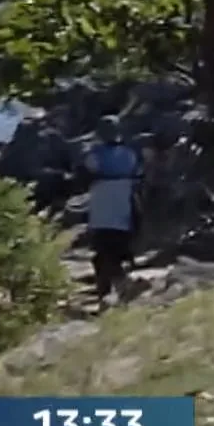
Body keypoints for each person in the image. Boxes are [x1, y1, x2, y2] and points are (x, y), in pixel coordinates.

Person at [85, 115, 143, 302]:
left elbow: (87, 171)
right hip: (123, 206)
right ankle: (117, 291)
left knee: (102, 253)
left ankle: (110, 291)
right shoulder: (129, 154)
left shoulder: (94, 154)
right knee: (116, 251)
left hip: (102, 209)